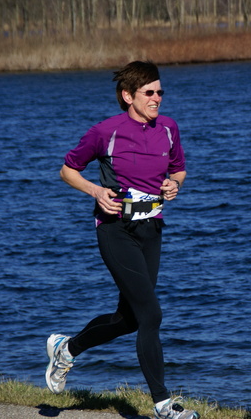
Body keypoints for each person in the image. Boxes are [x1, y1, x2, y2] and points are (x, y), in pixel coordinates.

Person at [45, 61, 199, 419]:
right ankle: (163, 405)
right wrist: (95, 191)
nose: (157, 98)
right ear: (128, 96)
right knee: (151, 313)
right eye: (149, 92)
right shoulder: (105, 132)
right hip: (115, 230)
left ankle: (67, 349)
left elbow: (179, 169)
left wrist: (175, 184)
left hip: (151, 230)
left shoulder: (169, 129)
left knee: (130, 318)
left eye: (160, 91)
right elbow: (68, 170)